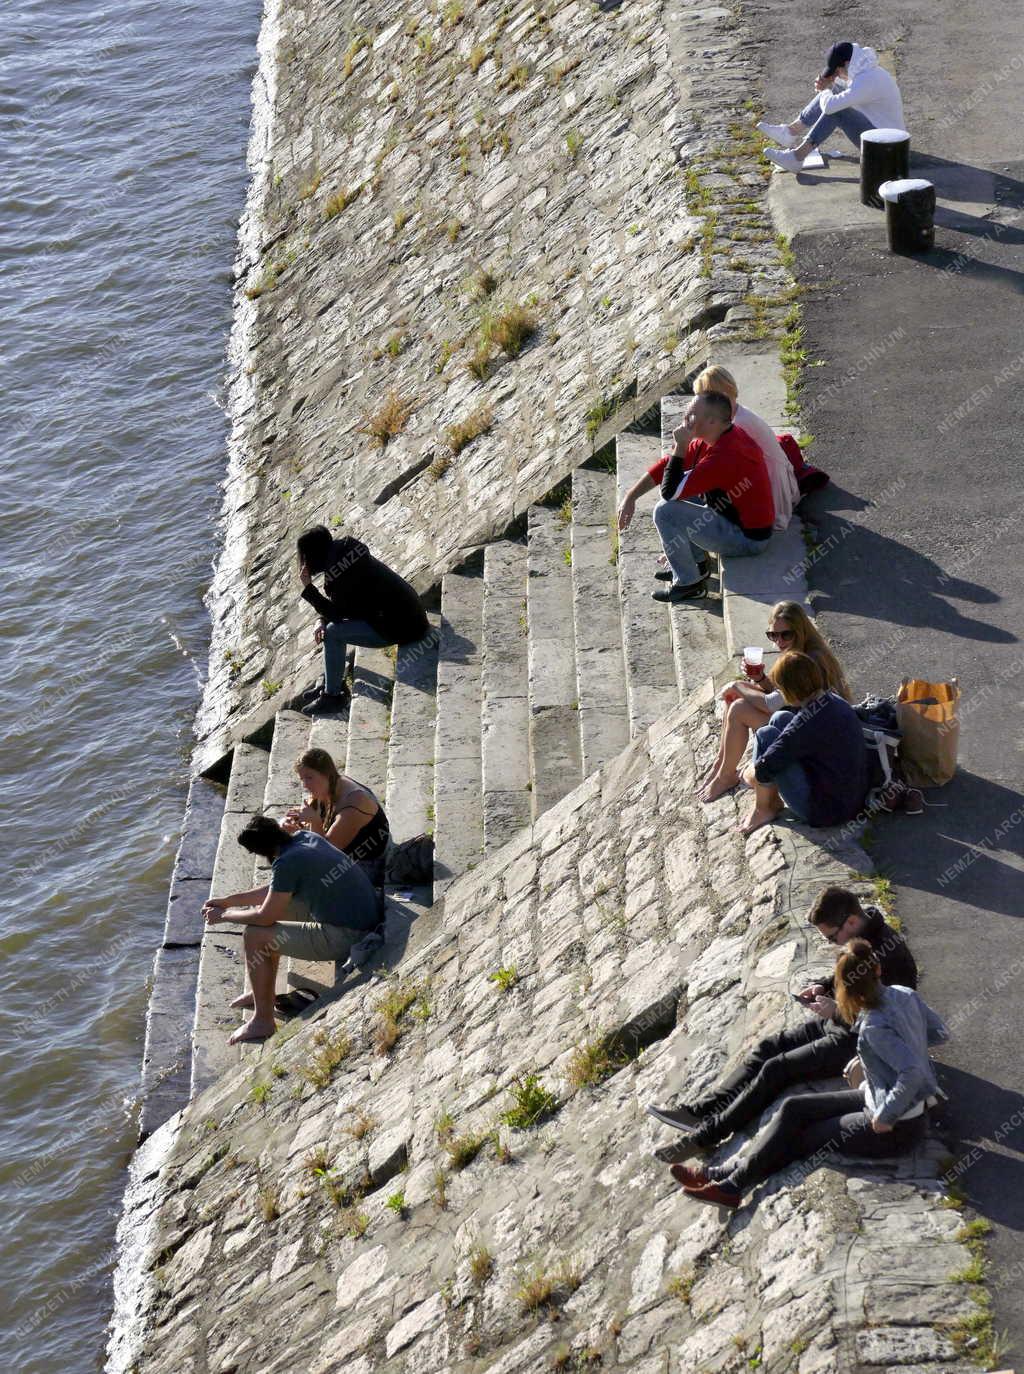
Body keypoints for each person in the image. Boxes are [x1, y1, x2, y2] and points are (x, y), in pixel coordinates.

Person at [670, 938, 948, 1208]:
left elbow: (911, 1073)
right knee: (794, 1108)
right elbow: (939, 1032)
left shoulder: (874, 1027)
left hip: (896, 1128)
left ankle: (731, 1185)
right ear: (877, 969)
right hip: (875, 1097)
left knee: (804, 1138)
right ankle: (721, 1175)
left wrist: (886, 1116)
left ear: (845, 991)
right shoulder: (905, 993)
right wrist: (900, 1051)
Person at [647, 888, 918, 1162]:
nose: (835, 944)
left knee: (777, 1069)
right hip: (839, 1023)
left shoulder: (888, 955)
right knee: (769, 1047)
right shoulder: (864, 935)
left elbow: (887, 1021)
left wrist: (835, 1012)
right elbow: (852, 978)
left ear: (850, 922)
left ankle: (706, 1137)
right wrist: (824, 985)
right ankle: (700, 1112)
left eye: (833, 938)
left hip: (860, 1042)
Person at [202, 815, 380, 1044]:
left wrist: (224, 916)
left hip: (348, 935)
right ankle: (262, 994)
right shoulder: (305, 838)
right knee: (266, 919)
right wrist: (228, 901)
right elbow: (276, 888)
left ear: (260, 850)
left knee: (255, 935)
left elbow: (265, 917)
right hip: (362, 918)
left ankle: (263, 1020)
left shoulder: (287, 862)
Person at [616, 391, 774, 605]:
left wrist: (680, 446)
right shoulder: (715, 436)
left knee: (665, 511)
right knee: (686, 492)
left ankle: (689, 584)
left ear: (711, 421)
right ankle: (698, 565)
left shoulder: (726, 454)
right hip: (729, 515)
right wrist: (631, 496)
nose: (685, 418)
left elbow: (669, 492)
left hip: (747, 538)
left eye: (691, 414)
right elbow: (667, 466)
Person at [699, 601, 850, 802]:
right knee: (735, 698)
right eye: (773, 635)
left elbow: (772, 703)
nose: (779, 641)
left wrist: (738, 686)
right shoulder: (799, 650)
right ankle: (722, 763)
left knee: (738, 707)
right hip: (800, 716)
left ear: (799, 631)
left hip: (814, 731)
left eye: (785, 634)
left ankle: (726, 777)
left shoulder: (808, 659)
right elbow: (788, 695)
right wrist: (760, 679)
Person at [297, 524, 429, 717]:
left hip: (402, 626)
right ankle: (332, 680)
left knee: (333, 633)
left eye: (305, 556)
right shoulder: (345, 552)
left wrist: (309, 588)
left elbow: (337, 613)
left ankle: (334, 697)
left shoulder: (339, 573)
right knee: (331, 628)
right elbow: (343, 604)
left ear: (314, 554)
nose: (304, 562)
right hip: (408, 614)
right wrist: (320, 620)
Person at [739, 650, 868, 835]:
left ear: (790, 690)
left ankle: (764, 808)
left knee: (765, 734)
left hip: (824, 811)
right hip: (852, 798)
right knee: (780, 717)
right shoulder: (833, 700)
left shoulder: (805, 723)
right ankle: (770, 798)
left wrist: (749, 773)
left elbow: (765, 768)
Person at [758, 41, 905, 174]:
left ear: (847, 63)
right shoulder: (865, 71)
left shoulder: (867, 80)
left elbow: (829, 107)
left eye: (836, 71)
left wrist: (825, 90)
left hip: (887, 149)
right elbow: (839, 90)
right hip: (882, 137)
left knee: (837, 110)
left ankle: (797, 157)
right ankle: (790, 131)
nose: (836, 75)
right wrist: (829, 86)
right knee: (834, 92)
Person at [692, 365, 799, 533]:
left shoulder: (738, 424)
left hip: (769, 488)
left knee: (701, 485)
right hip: (763, 476)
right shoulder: (736, 413)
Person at [283, 747, 390, 896]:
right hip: (343, 850)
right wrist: (297, 819)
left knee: (309, 882)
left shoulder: (354, 802)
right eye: (302, 779)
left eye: (309, 778)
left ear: (325, 773)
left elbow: (324, 852)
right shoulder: (329, 783)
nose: (305, 785)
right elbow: (312, 807)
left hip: (369, 864)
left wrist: (312, 821)